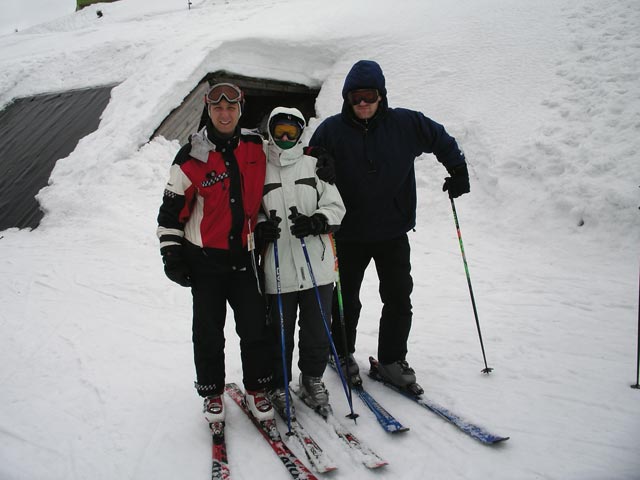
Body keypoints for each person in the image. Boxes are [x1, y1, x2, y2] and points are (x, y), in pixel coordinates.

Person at [308, 60, 470, 391]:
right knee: (346, 299)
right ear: (347, 99)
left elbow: (439, 138)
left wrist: (458, 170)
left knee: (398, 297)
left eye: (369, 95)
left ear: (381, 95)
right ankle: (340, 353)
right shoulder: (331, 130)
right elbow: (308, 168)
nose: (363, 103)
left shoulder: (405, 124)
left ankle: (392, 360)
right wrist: (318, 172)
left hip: (392, 230)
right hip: (348, 233)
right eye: (356, 97)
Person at [156, 82, 275, 425]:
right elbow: (169, 214)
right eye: (218, 108)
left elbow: (289, 156)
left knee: (255, 327)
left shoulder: (256, 145)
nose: (225, 114)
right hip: (205, 261)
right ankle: (211, 393)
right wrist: (172, 256)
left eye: (231, 108)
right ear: (208, 110)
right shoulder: (190, 157)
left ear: (241, 109)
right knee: (208, 331)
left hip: (246, 257)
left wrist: (319, 159)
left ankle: (256, 388)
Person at [254, 107, 345, 416]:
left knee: (318, 328)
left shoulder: (314, 165)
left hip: (317, 265)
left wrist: (319, 221)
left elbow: (336, 206)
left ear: (301, 133)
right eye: (279, 130)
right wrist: (259, 227)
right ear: (269, 129)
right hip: (278, 266)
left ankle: (312, 379)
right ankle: (279, 383)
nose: (284, 137)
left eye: (291, 132)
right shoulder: (258, 168)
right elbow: (249, 211)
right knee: (278, 331)